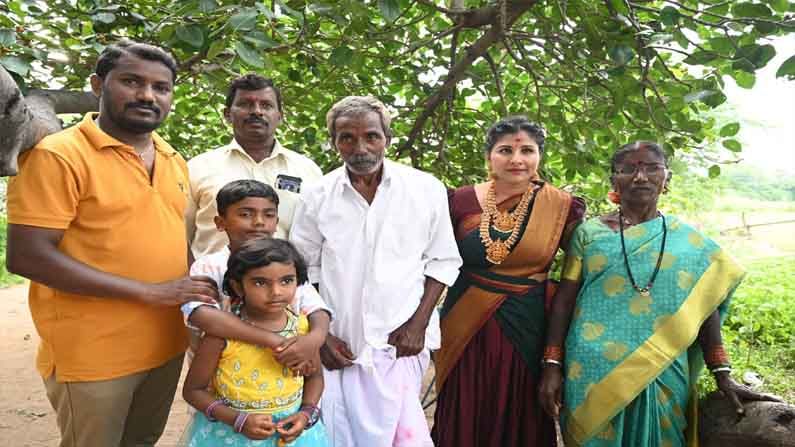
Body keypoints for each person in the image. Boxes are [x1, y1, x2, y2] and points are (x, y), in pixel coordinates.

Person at [5, 41, 218, 447]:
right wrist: (151, 292)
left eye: (161, 87)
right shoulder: (59, 155)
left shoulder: (172, 158)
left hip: (164, 344)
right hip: (93, 355)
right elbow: (27, 255)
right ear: (98, 84)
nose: (147, 95)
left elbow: (172, 238)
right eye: (132, 82)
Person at [538, 141, 782, 446]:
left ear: (666, 179)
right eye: (629, 169)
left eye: (652, 168)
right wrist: (551, 365)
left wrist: (722, 373)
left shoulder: (690, 244)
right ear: (614, 180)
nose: (641, 177)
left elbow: (703, 309)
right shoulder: (589, 234)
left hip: (662, 369)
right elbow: (564, 302)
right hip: (591, 369)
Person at [290, 96, 462, 447]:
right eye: (347, 138)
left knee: (400, 436)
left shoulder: (424, 189)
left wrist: (418, 324)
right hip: (340, 342)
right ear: (334, 142)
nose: (360, 147)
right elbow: (304, 270)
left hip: (401, 343)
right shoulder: (318, 194)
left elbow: (443, 261)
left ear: (387, 137)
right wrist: (320, 335)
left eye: (371, 136)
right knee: (337, 434)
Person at [431, 116, 585, 447]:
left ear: (539, 156)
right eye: (505, 150)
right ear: (489, 156)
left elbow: (580, 273)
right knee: (463, 406)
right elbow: (432, 261)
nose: (517, 160)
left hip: (528, 325)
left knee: (521, 411)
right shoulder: (459, 200)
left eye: (527, 150)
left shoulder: (561, 207)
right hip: (463, 324)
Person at [181, 238, 329, 447]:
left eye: (286, 281)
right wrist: (238, 420)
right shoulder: (220, 336)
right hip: (229, 437)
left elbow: (315, 378)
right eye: (260, 282)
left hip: (294, 437)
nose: (276, 291)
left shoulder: (302, 329)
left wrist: (306, 413)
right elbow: (193, 391)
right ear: (238, 287)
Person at [181, 179, 331, 375]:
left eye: (268, 215)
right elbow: (201, 315)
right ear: (220, 223)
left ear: (276, 223)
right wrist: (272, 339)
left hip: (280, 377)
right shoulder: (208, 267)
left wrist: (314, 339)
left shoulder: (286, 263)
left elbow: (317, 309)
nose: (259, 222)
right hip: (219, 379)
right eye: (245, 214)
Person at [186, 74, 323, 259]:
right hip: (211, 284)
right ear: (227, 114)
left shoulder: (307, 170)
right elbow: (179, 236)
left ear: (280, 116)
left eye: (266, 105)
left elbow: (316, 237)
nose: (257, 111)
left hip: (284, 285)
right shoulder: (197, 168)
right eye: (245, 104)